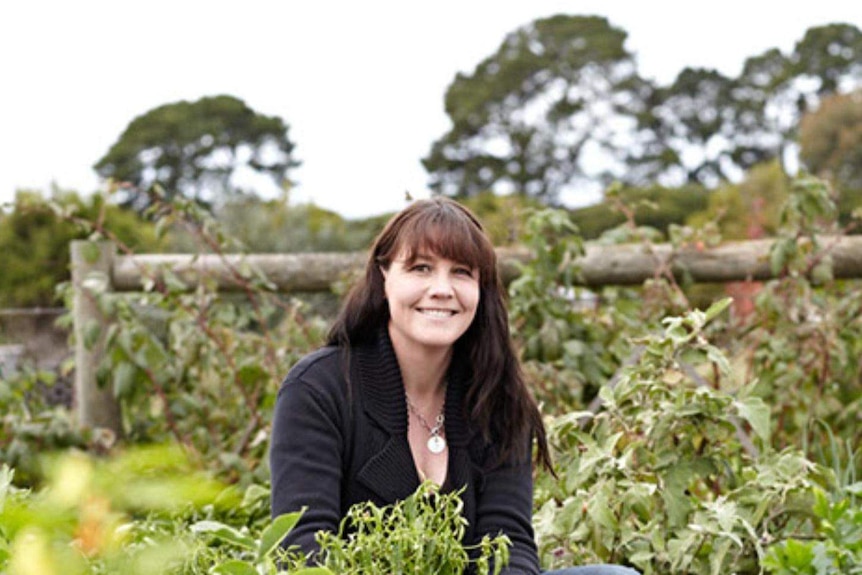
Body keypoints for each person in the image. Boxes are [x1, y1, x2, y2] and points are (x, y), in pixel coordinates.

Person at [269, 197, 638, 575]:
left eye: (461, 272)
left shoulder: (498, 396)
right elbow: (302, 549)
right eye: (421, 268)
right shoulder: (317, 389)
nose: (442, 289)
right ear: (383, 278)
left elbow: (508, 545)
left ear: (481, 289)